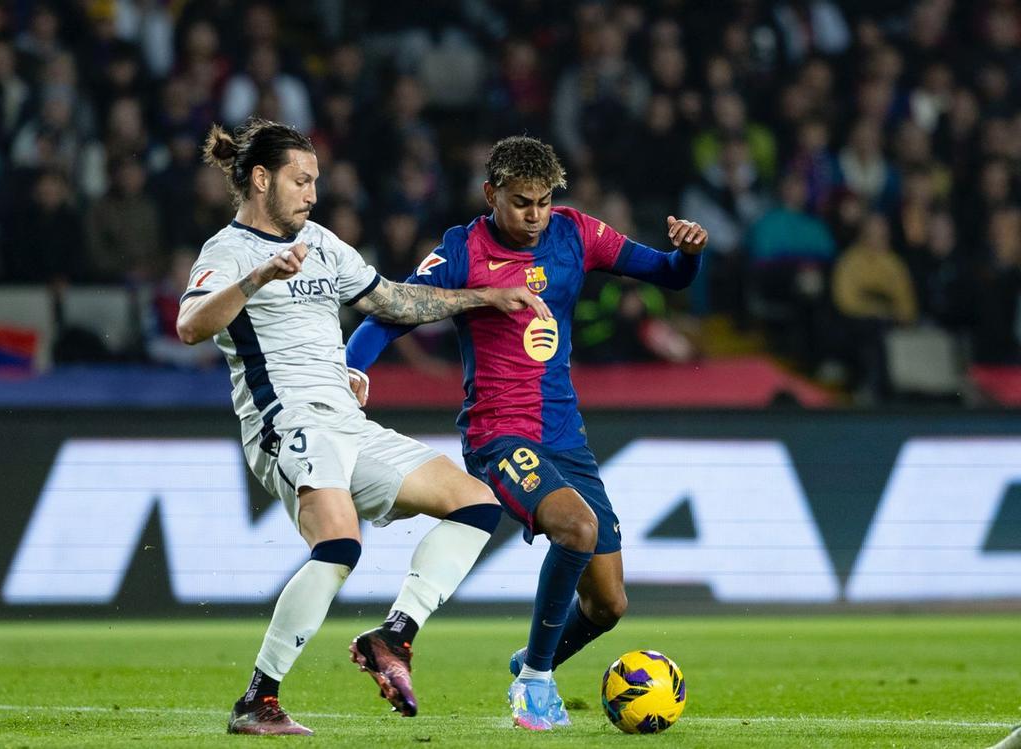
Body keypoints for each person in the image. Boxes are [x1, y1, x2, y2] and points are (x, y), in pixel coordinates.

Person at [175, 119, 552, 736]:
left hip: (348, 421)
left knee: (476, 505)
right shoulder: (228, 253)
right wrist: (257, 278)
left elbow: (395, 302)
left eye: (316, 181)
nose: (313, 194)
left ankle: (395, 635)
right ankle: (258, 699)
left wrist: (482, 296)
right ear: (262, 180)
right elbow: (191, 326)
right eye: (301, 181)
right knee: (339, 544)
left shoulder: (323, 242)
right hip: (286, 420)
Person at [345, 135, 708, 731]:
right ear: (492, 194)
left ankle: (531, 659)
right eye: (520, 202)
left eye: (543, 201)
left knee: (608, 604)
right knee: (578, 528)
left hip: (567, 437)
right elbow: (396, 308)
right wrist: (356, 365)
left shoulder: (577, 233)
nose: (535, 215)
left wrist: (689, 252)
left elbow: (668, 275)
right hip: (499, 435)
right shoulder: (463, 250)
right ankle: (535, 684)